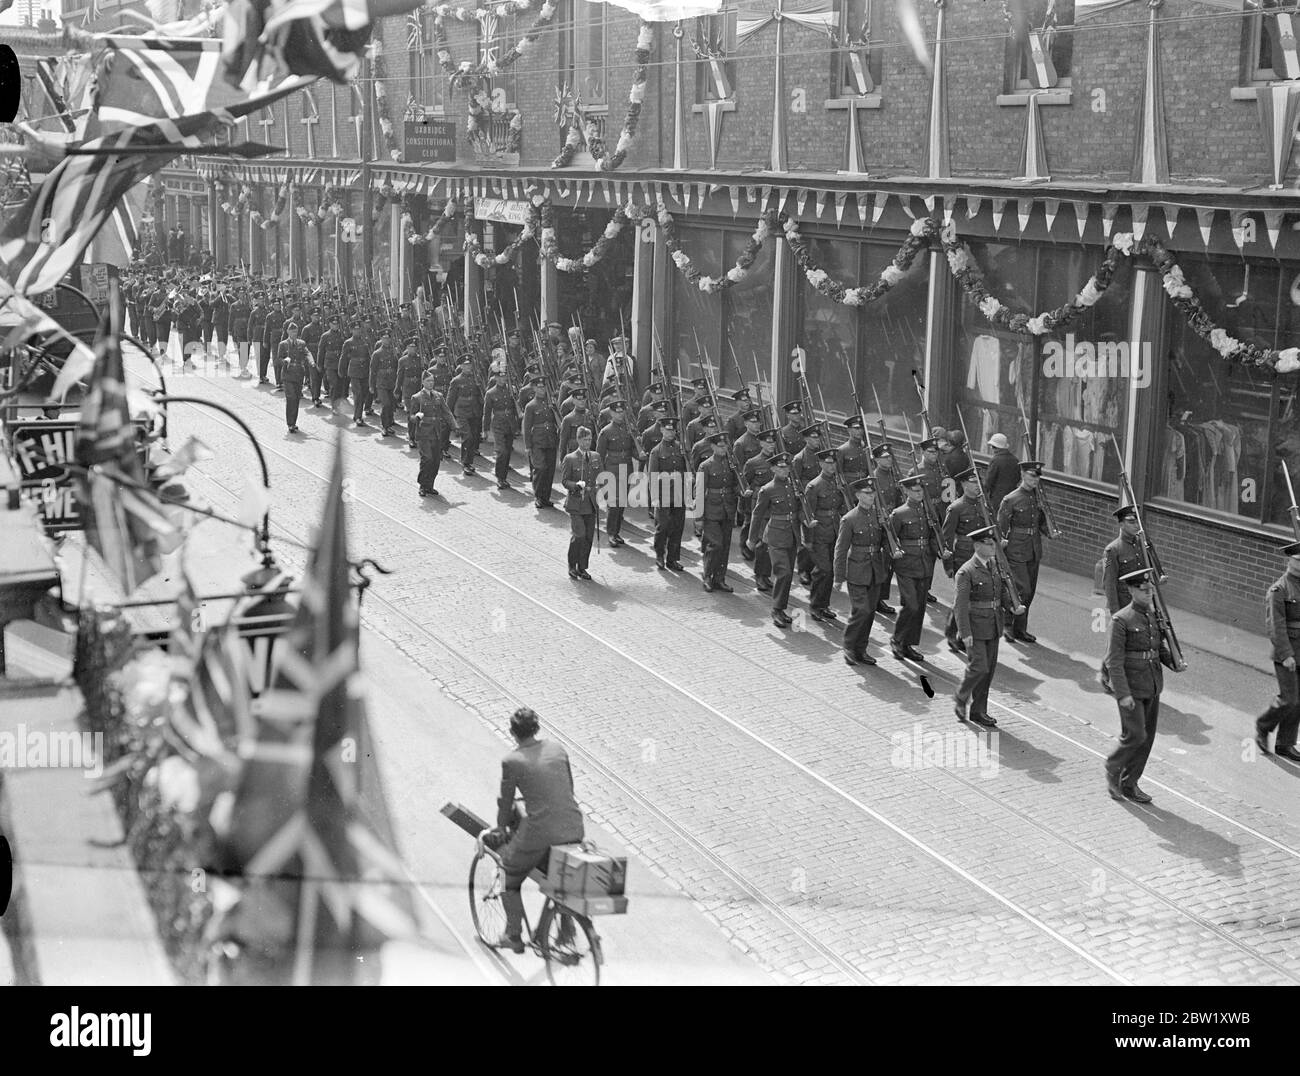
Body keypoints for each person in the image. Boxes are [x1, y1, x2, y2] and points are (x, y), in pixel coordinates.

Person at [493, 706, 585, 955]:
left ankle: (513, 934)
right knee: (557, 876)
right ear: (536, 728)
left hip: (541, 832)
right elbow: (567, 789)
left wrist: (501, 828)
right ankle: (561, 929)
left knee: (508, 872)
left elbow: (505, 800)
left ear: (513, 732)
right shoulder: (557, 749)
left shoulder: (512, 760)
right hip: (574, 827)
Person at [1104, 567, 1180, 802]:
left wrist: (1173, 662)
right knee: (1135, 735)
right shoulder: (1121, 620)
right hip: (1130, 686)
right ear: (1131, 590)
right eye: (1143, 589)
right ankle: (1113, 768)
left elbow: (1158, 648)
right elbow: (1113, 661)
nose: (1148, 593)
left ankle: (1130, 783)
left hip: (1152, 682)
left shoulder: (1153, 616)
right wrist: (1122, 693)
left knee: (1146, 738)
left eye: (1150, 589)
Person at [953, 526, 1024, 729]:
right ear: (977, 546)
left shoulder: (995, 565)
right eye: (988, 543)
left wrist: (1012, 606)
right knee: (979, 667)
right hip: (974, 627)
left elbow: (1000, 593)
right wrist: (964, 632)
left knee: (989, 670)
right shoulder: (966, 572)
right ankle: (961, 696)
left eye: (993, 543)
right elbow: (959, 605)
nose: (993, 546)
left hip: (993, 624)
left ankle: (978, 711)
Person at [996, 461, 1056, 643]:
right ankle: (1007, 625)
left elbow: (1040, 522)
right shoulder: (1011, 499)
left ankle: (1020, 628)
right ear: (1022, 475)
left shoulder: (1037, 498)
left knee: (1030, 592)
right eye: (1031, 475)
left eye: (1037, 477)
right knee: (1021, 588)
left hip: (1033, 549)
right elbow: (1001, 527)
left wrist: (1050, 532)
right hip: (1016, 549)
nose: (1035, 480)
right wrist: (1002, 547)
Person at [834, 478, 889, 666]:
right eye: (867, 493)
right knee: (861, 610)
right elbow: (840, 549)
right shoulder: (849, 519)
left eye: (872, 493)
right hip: (857, 570)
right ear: (858, 495)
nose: (871, 496)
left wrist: (886, 527)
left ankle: (861, 648)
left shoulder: (878, 516)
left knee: (870, 611)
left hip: (875, 569)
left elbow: (884, 543)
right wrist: (838, 577)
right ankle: (849, 646)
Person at [749, 453, 802, 629]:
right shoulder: (768, 489)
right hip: (775, 536)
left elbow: (801, 509)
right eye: (780, 467)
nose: (784, 470)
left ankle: (782, 608)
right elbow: (757, 515)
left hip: (792, 535)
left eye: (786, 467)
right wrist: (751, 538)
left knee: (788, 576)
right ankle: (776, 609)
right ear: (772, 469)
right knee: (784, 572)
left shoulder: (793, 486)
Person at [888, 474, 936, 662]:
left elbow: (933, 535)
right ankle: (897, 639)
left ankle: (908, 644)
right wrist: (894, 558)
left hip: (924, 563)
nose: (919, 493)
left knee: (920, 607)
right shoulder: (899, 514)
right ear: (906, 491)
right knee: (911, 604)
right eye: (915, 490)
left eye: (921, 490)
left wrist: (937, 550)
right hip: (906, 564)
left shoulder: (927, 512)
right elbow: (891, 539)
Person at [1259, 541, 1300, 761]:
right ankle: (1263, 726)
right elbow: (1275, 625)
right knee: (1289, 699)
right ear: (1290, 562)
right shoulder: (1279, 589)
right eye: (1298, 561)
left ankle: (1285, 743)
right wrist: (1286, 655)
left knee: (1298, 701)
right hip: (1287, 652)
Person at [941, 468, 986, 654]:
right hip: (962, 557)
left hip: (981, 558)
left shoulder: (983, 506)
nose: (977, 486)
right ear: (964, 485)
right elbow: (946, 540)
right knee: (962, 598)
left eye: (978, 482)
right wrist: (948, 566)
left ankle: (965, 635)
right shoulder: (956, 508)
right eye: (973, 483)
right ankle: (953, 635)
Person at [802, 448, 843, 623]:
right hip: (819, 532)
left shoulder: (838, 483)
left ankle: (824, 605)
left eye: (833, 462)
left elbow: (842, 506)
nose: (831, 466)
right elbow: (807, 515)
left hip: (834, 530)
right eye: (827, 463)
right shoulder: (814, 486)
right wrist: (808, 539)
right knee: (823, 570)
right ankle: (815, 605)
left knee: (830, 570)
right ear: (820, 464)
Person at [596, 400, 642, 546]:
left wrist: (640, 454)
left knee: (621, 503)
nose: (620, 414)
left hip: (626, 469)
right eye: (616, 412)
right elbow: (599, 456)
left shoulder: (629, 430)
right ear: (611, 413)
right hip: (612, 470)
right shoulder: (606, 431)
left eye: (622, 412)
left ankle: (616, 532)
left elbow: (633, 451)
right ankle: (610, 533)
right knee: (614, 503)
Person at [697, 433, 739, 593]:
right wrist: (699, 517)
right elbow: (700, 491)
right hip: (711, 510)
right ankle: (707, 576)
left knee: (726, 545)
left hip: (727, 509)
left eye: (725, 446)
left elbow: (736, 484)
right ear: (713, 447)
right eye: (720, 446)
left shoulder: (731, 464)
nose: (724, 449)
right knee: (715, 544)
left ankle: (719, 578)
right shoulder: (705, 466)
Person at [647, 416, 688, 571]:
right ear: (662, 430)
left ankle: (672, 559)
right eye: (668, 429)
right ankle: (659, 555)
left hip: (679, 494)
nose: (671, 432)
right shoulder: (656, 452)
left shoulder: (681, 448)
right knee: (662, 527)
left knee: (677, 528)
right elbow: (652, 476)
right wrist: (655, 498)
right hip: (663, 495)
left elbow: (686, 470)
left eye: (673, 429)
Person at [561, 426, 601, 580]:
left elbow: (601, 477)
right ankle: (572, 565)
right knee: (579, 535)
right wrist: (575, 485)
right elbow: (565, 481)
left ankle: (582, 567)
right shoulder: (570, 459)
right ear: (578, 440)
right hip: (576, 504)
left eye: (590, 439)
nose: (587, 443)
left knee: (588, 537)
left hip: (590, 504)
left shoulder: (596, 457)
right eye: (584, 440)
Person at [741, 431, 778, 586]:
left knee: (771, 543)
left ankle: (765, 574)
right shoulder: (753, 463)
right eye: (767, 442)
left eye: (773, 443)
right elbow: (745, 485)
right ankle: (759, 576)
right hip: (760, 507)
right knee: (762, 543)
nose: (771, 445)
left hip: (775, 507)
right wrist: (746, 510)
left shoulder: (778, 462)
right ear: (761, 444)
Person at [411, 371, 455, 498]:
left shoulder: (438, 396)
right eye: (428, 381)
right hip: (423, 434)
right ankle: (422, 484)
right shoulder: (417, 397)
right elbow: (411, 417)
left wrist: (455, 426)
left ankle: (430, 485)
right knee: (427, 459)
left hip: (436, 433)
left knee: (436, 460)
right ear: (423, 382)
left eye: (432, 381)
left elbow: (447, 412)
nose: (431, 383)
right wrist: (417, 417)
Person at [1101, 505, 1151, 614]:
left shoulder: (1142, 544)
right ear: (1121, 524)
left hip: (1142, 602)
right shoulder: (1112, 550)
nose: (1136, 525)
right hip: (1125, 604)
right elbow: (1109, 583)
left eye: (1137, 522)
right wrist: (1115, 611)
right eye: (1131, 522)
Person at [522, 378, 559, 509]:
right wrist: (527, 445)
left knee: (550, 470)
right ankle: (538, 496)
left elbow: (558, 421)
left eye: (543, 387)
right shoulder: (531, 406)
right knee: (540, 468)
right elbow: (526, 427)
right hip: (537, 441)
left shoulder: (551, 404)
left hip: (551, 441)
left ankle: (545, 497)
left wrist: (554, 408)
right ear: (534, 389)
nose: (542, 389)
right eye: (539, 387)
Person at [482, 366, 518, 491]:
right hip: (498, 424)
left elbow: (516, 408)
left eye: (504, 376)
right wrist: (485, 429)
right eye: (500, 377)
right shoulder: (490, 393)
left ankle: (504, 477)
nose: (503, 379)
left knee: (507, 451)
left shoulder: (512, 390)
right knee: (501, 451)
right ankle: (499, 478)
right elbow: (486, 413)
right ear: (495, 378)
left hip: (510, 424)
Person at [276, 322, 315, 433]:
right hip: (288, 375)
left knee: (296, 398)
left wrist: (311, 362)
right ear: (288, 332)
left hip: (298, 375)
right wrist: (284, 361)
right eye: (292, 331)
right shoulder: (283, 344)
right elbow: (277, 359)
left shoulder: (301, 343)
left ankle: (293, 422)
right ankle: (290, 423)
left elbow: (307, 353)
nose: (294, 333)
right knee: (291, 397)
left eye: (295, 331)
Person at [447, 359, 484, 475]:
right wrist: (448, 415)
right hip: (461, 412)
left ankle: (469, 462)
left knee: (473, 437)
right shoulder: (456, 381)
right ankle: (465, 463)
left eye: (470, 365)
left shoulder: (476, 378)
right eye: (466, 365)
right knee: (467, 437)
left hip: (474, 412)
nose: (468, 367)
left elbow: (480, 394)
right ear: (461, 366)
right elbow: (451, 399)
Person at [369, 330, 400, 437]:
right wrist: (371, 386)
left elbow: (397, 367)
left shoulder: (394, 352)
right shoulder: (377, 354)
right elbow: (372, 371)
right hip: (381, 383)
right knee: (386, 404)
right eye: (384, 338)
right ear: (381, 339)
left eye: (388, 338)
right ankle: (384, 426)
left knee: (391, 404)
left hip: (392, 382)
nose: (386, 340)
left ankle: (389, 424)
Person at [342, 325, 371, 427]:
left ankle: (357, 414)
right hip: (354, 371)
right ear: (351, 330)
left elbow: (369, 356)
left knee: (363, 394)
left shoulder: (365, 341)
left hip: (365, 371)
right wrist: (342, 371)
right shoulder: (348, 343)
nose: (357, 331)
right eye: (355, 329)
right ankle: (358, 417)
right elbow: (343, 358)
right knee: (358, 394)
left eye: (359, 329)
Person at [984, 432, 1020, 512]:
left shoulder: (995, 460)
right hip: (1012, 498)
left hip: (997, 499)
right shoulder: (1015, 460)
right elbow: (1018, 478)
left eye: (992, 447)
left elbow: (989, 481)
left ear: (995, 447)